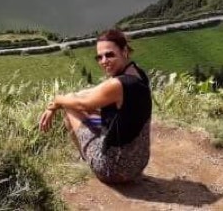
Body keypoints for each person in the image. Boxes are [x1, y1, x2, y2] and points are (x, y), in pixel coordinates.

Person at [38, 28, 151, 184]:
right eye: (100, 57)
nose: (104, 61)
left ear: (124, 51)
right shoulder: (137, 74)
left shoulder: (117, 84)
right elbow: (90, 93)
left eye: (109, 54)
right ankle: (91, 153)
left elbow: (82, 104)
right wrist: (62, 101)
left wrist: (57, 101)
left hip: (113, 170)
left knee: (70, 108)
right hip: (139, 163)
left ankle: (86, 159)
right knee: (77, 103)